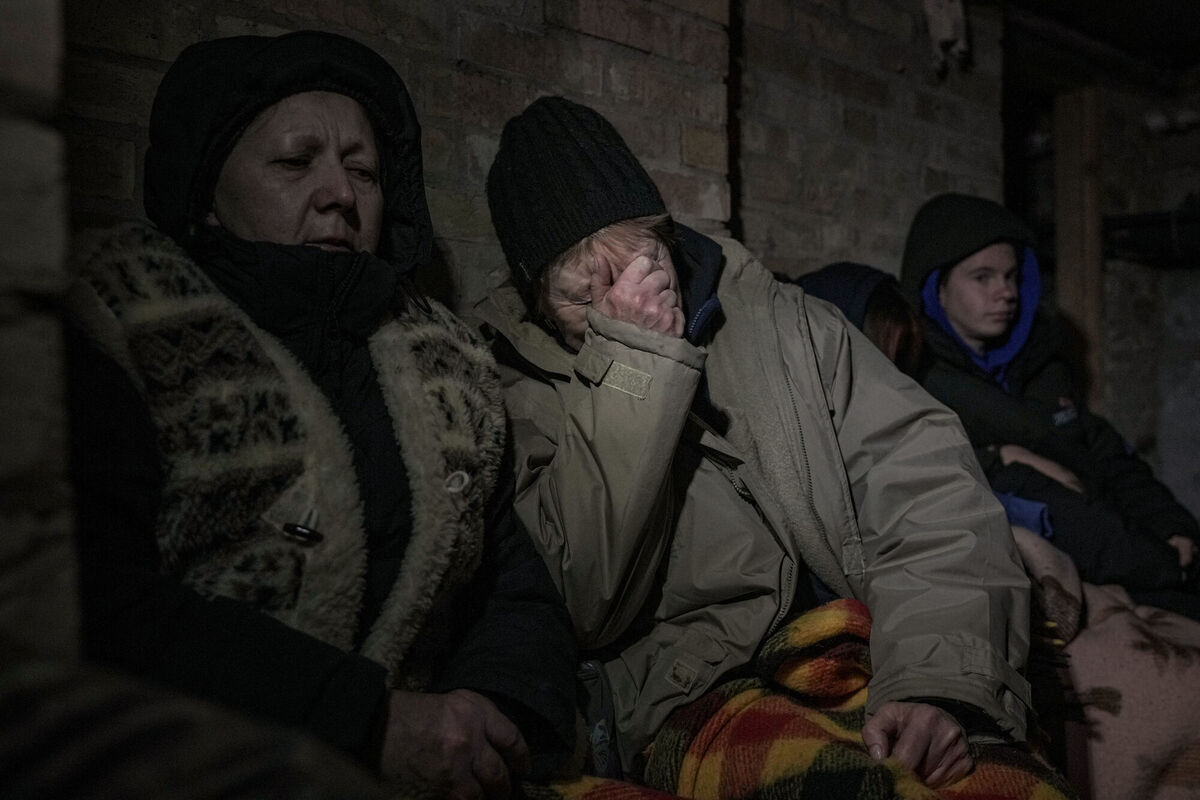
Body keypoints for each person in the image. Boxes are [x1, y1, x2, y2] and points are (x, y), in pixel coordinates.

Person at [64, 31, 578, 798]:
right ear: (209, 188)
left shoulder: (449, 362)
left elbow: (511, 584)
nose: (341, 192)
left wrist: (483, 718)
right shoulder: (120, 320)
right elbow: (90, 597)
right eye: (294, 161)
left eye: (363, 169)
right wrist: (363, 725)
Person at [474, 96, 1033, 788]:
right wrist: (635, 365)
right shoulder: (504, 389)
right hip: (697, 697)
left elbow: (927, 484)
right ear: (534, 299)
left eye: (643, 262)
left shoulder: (785, 322)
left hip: (873, 643)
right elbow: (581, 604)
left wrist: (936, 680)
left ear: (667, 239)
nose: (627, 300)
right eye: (584, 297)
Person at [899, 192, 1200, 620]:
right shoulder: (920, 382)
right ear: (937, 289)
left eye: (1012, 276)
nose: (1005, 292)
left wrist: (1175, 529)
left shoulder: (1040, 362)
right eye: (982, 278)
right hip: (1100, 560)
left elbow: (1107, 452)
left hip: (1140, 547)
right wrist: (1166, 565)